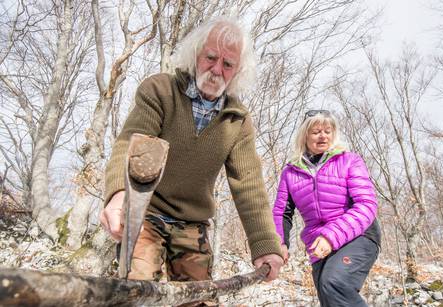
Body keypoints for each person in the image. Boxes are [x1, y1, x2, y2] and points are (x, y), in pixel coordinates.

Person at [99, 16, 283, 303]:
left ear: (237, 72)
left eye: (228, 64)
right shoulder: (160, 91)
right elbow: (130, 144)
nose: (217, 69)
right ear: (195, 54)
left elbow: (249, 186)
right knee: (137, 292)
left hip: (192, 224)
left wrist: (265, 245)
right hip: (146, 213)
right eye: (211, 57)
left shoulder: (238, 120)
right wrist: (118, 195)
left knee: (198, 300)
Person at [272, 110, 381, 307]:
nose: (323, 136)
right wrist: (280, 243)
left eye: (327, 131)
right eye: (316, 132)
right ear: (305, 136)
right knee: (328, 295)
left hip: (359, 235)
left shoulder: (349, 161)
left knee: (334, 282)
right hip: (317, 243)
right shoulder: (291, 172)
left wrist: (331, 237)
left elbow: (366, 205)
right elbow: (282, 213)